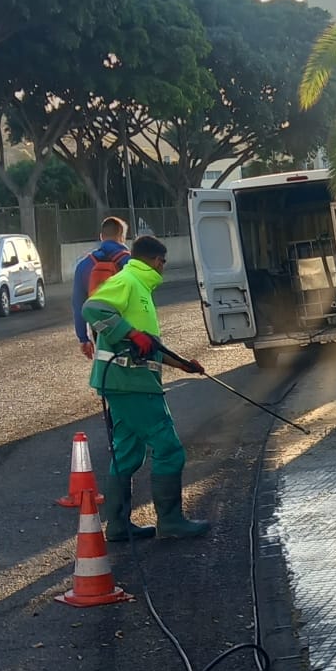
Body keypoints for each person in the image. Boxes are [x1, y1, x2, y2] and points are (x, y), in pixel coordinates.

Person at [84, 234, 210, 542]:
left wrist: (182, 365)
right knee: (169, 449)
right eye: (163, 263)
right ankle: (171, 522)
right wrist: (130, 333)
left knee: (128, 454)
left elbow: (148, 345)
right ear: (157, 261)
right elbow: (93, 308)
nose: (163, 268)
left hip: (124, 381)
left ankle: (118, 526)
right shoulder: (129, 281)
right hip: (131, 383)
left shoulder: (139, 288)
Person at [72, 217, 130, 357]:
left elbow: (78, 305)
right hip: (129, 327)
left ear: (101, 237)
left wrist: (83, 338)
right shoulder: (130, 262)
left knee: (108, 365)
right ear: (122, 236)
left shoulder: (83, 265)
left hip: (100, 328)